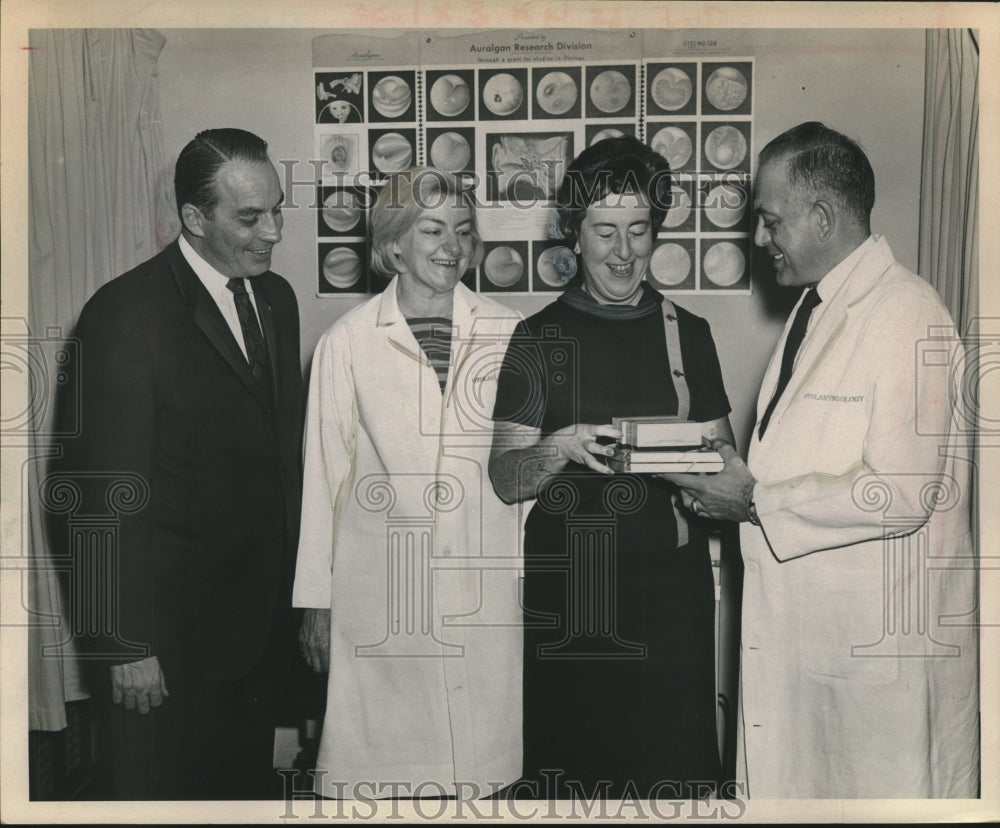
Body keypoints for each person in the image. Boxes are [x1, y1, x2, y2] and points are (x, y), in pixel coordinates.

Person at [665, 122, 979, 798]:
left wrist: (753, 500)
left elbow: (899, 492)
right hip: (815, 655)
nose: (758, 238)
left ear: (823, 217)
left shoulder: (905, 314)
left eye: (770, 220)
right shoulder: (817, 307)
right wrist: (734, 472)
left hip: (870, 669)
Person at [60, 128, 303, 799]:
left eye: (277, 209)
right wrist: (125, 644)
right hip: (165, 650)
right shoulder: (123, 314)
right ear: (194, 220)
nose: (273, 232)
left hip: (256, 637)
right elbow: (95, 497)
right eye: (249, 217)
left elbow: (280, 463)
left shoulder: (276, 300)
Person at [489, 135, 733, 799]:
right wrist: (558, 446)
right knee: (574, 783)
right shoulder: (536, 336)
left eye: (639, 230)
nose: (624, 253)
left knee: (671, 785)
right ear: (574, 232)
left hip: (669, 598)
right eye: (605, 231)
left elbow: (727, 469)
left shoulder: (691, 333)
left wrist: (707, 463)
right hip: (570, 602)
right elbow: (504, 479)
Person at [293, 167, 523, 800]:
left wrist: (525, 579)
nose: (452, 244)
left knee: (477, 777)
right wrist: (316, 603)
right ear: (393, 244)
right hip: (381, 595)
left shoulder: (509, 332)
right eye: (432, 229)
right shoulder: (347, 343)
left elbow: (522, 478)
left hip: (483, 591)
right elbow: (324, 478)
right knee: (384, 780)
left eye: (463, 229)